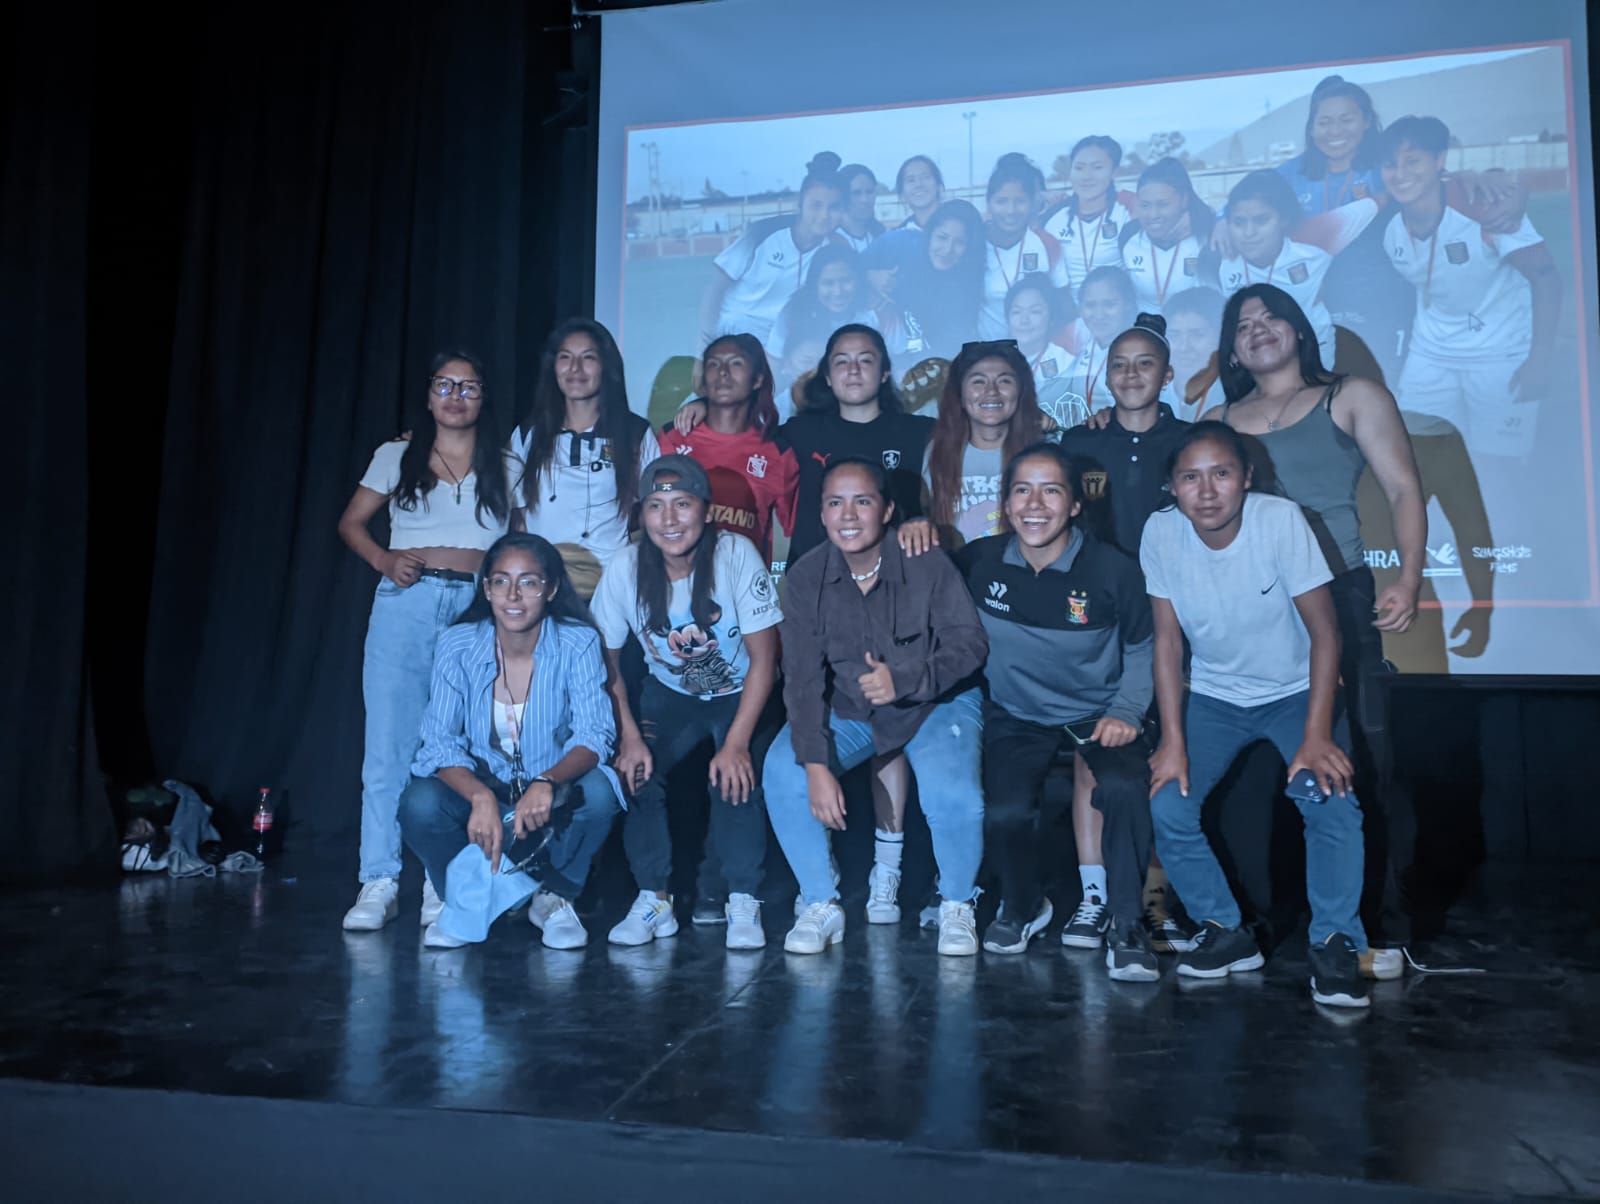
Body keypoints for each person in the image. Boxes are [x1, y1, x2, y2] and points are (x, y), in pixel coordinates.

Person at [1212, 284, 1424, 974]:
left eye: (1270, 316)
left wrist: (1409, 577)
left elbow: (1402, 489)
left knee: (1363, 760)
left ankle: (1380, 929)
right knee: (1255, 776)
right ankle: (1262, 921)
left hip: (1339, 594)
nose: (1259, 330)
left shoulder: (1351, 395)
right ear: (1233, 347)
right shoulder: (1221, 417)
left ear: (1298, 329)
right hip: (1255, 604)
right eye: (1243, 326)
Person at [1142, 423, 1371, 1008]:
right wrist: (1172, 740)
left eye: (1221, 473)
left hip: (1297, 690)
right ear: (1172, 487)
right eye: (1190, 477)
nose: (1208, 491)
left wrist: (1317, 734)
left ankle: (1336, 940)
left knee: (1328, 796)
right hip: (1217, 695)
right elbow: (1167, 644)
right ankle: (1225, 930)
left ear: (1246, 477)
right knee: (1168, 801)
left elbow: (1326, 633)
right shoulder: (1161, 533)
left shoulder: (1279, 521)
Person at [764, 458, 988, 956]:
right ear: (820, 514)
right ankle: (821, 901)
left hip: (936, 703)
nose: (849, 514)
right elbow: (801, 681)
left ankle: (956, 905)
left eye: (862, 500)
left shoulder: (923, 558)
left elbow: (970, 644)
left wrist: (906, 678)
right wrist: (816, 766)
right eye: (835, 502)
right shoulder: (805, 578)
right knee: (785, 770)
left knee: (955, 796)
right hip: (855, 708)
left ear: (887, 509)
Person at [958, 443, 1158, 978]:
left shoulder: (1113, 570)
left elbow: (1143, 649)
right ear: (1005, 501)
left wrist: (1128, 711)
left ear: (1074, 504)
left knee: (1122, 790)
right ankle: (1023, 906)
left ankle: (1125, 922)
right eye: (1022, 489)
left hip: (1100, 711)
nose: (1034, 503)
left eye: (1051, 490)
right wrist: (914, 533)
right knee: (1003, 814)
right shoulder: (979, 561)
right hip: (1016, 713)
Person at [337, 351, 517, 933]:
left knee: (460, 749)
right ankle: (380, 879)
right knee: (389, 745)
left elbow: (524, 539)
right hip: (406, 606)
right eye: (445, 385)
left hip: (475, 608)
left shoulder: (506, 461)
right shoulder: (398, 455)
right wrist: (385, 559)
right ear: (429, 395)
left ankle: (443, 881)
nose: (456, 395)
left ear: (484, 397)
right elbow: (350, 523)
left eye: (469, 386)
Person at [593, 457, 782, 951]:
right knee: (635, 774)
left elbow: (766, 660)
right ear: (642, 515)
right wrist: (630, 738)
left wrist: (737, 742)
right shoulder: (626, 566)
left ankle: (741, 897)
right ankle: (654, 899)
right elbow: (606, 663)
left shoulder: (735, 554)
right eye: (656, 506)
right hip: (672, 694)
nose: (670, 519)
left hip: (742, 691)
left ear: (706, 510)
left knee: (734, 779)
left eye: (682, 504)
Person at [399, 533, 623, 949]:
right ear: (486, 589)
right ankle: (468, 897)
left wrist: (548, 781)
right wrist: (480, 797)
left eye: (530, 582)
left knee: (600, 793)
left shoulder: (578, 641)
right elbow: (438, 741)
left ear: (551, 588)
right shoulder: (458, 644)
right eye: (501, 581)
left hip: (547, 799)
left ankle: (552, 897)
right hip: (487, 797)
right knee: (419, 802)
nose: (514, 595)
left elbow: (596, 735)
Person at [1378, 115, 1560, 458]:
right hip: (1429, 355)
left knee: (1498, 464)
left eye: (1412, 161)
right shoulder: (1391, 232)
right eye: (1390, 164)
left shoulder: (1487, 207)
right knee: (1422, 455)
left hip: (1499, 356)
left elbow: (1546, 278)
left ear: (1439, 161)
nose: (1400, 173)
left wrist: (1541, 358)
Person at [513, 319, 659, 598]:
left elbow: (655, 509)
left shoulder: (635, 434)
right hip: (542, 587)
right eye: (565, 358)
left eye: (587, 358)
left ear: (606, 366)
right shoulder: (529, 433)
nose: (575, 369)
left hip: (609, 588)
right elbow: (513, 512)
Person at [770, 325, 934, 569]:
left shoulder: (920, 432)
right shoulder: (798, 433)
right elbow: (737, 438)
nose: (853, 370)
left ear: (885, 372)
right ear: (827, 375)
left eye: (865, 360)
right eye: (842, 362)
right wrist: (703, 408)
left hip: (898, 581)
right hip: (815, 582)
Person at [658, 335, 798, 566]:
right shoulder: (673, 437)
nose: (723, 372)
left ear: (757, 380)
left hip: (743, 590)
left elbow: (800, 531)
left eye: (736, 363)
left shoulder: (778, 452)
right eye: (713, 364)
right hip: (677, 586)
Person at [1062, 315, 1192, 557]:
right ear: (1107, 378)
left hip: (1175, 583)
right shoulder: (1078, 442)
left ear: (1167, 375)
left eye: (1144, 364)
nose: (1130, 373)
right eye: (1119, 365)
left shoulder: (1192, 442)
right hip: (1097, 585)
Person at [906, 338, 1054, 549]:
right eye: (978, 381)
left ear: (1021, 391)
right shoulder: (936, 452)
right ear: (960, 393)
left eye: (1004, 381)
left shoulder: (1046, 454)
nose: (991, 391)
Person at [700, 160, 844, 346]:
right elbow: (716, 289)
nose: (825, 215)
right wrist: (703, 348)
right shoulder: (761, 233)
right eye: (816, 205)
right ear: (800, 205)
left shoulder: (836, 247)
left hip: (783, 345)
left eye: (834, 207)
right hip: (736, 336)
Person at [1213, 170, 1336, 369]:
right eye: (1239, 222)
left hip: (1313, 356)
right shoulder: (1220, 263)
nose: (1249, 233)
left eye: (1261, 220)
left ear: (1284, 219)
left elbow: (1367, 209)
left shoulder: (1314, 255)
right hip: (1256, 363)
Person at [979, 153, 1069, 339]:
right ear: (989, 203)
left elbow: (1063, 306)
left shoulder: (1046, 244)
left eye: (1019, 201)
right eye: (1001, 202)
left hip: (1034, 354)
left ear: (1031, 204)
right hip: (988, 352)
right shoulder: (974, 244)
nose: (1011, 211)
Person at [1042, 136, 1137, 301]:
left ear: (1114, 172)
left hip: (1120, 317)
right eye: (1079, 168)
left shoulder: (1129, 209)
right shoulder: (1054, 218)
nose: (1086, 176)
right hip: (1071, 318)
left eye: (1097, 168)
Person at [1119, 158, 1216, 316]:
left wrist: (1205, 218)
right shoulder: (1128, 236)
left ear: (1184, 200)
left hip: (1194, 333)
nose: (1153, 215)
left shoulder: (1208, 233)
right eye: (1145, 205)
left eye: (1163, 205)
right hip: (1147, 332)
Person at [769, 243, 878, 367]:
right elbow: (773, 365)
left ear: (858, 280)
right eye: (828, 283)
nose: (838, 292)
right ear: (814, 286)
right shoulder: (793, 313)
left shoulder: (873, 310)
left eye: (846, 281)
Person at [901, 199, 986, 357]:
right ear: (930, 234)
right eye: (942, 237)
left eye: (959, 242)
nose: (948, 250)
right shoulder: (903, 270)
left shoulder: (971, 290)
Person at [1005, 273, 1082, 428]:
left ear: (1052, 319)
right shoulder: (996, 363)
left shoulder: (1066, 362)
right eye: (1016, 312)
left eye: (1035, 312)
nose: (1024, 320)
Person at [1063, 265, 1138, 418]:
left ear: (1128, 304)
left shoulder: (1142, 352)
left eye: (1109, 305)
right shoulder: (1082, 341)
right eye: (1090, 305)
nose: (1099, 315)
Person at [1163, 287, 1225, 422]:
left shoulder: (1235, 397)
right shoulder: (1151, 392)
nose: (1184, 347)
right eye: (1174, 335)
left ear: (1220, 337)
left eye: (1197, 335)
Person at [835, 163, 886, 252]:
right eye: (856, 193)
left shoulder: (881, 235)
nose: (864, 200)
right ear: (843, 196)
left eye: (869, 192)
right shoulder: (831, 240)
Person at [894, 155, 944, 231]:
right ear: (902, 195)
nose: (918, 184)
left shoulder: (960, 225)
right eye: (911, 180)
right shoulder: (898, 236)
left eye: (925, 177)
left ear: (938, 185)